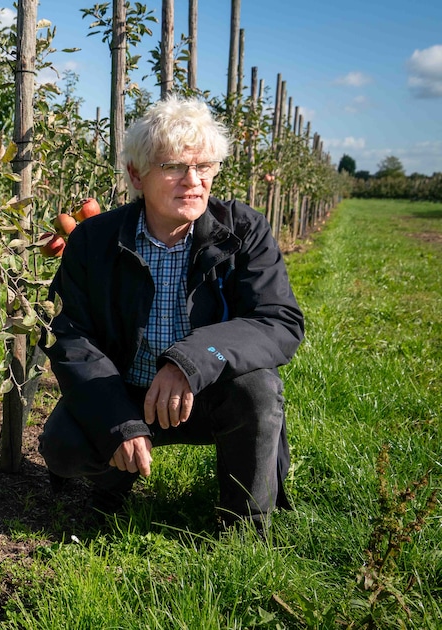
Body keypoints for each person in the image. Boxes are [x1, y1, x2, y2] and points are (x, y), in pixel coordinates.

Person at [38, 96, 304, 532]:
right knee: (64, 445)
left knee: (257, 388)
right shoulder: (93, 240)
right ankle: (113, 480)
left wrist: (191, 361)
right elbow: (70, 334)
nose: (193, 181)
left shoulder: (243, 230)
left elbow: (278, 320)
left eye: (205, 167)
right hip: (125, 388)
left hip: (209, 390)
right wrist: (118, 420)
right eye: (174, 167)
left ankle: (246, 521)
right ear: (136, 175)